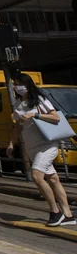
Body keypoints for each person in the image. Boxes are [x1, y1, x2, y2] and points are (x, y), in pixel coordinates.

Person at [8, 73, 76, 226]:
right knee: (52, 179)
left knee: (37, 176)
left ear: (26, 85)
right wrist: (12, 143)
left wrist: (35, 115)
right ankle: (68, 215)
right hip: (32, 147)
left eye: (18, 83)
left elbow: (55, 117)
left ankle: (55, 212)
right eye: (14, 84)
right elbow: (18, 125)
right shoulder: (18, 103)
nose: (15, 87)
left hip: (46, 145)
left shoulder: (39, 100)